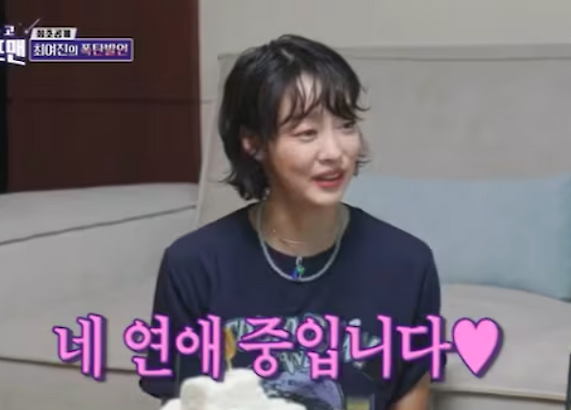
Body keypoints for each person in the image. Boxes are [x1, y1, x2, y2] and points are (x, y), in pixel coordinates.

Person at [139, 34, 446, 410]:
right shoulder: (193, 265)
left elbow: (411, 397)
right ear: (254, 142)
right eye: (307, 133)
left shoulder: (408, 264)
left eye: (346, 124)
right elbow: (188, 403)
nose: (334, 152)